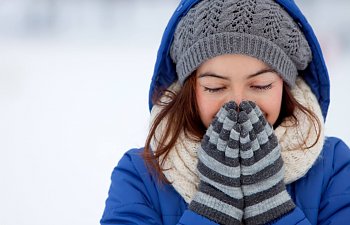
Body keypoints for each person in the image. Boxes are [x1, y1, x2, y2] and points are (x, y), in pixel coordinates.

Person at [101, 0, 350, 224]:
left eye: (261, 85)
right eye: (215, 87)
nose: (239, 103)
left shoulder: (334, 167)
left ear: (285, 86)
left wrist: (273, 208)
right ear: (191, 89)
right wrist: (212, 208)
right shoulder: (139, 176)